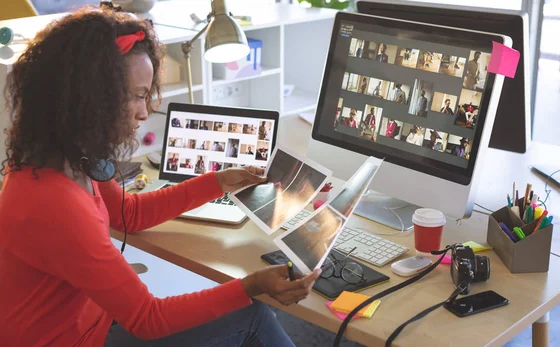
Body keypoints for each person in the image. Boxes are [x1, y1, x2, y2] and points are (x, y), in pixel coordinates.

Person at [0, 8, 321, 347]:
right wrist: (252, 284)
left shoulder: (62, 158)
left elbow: (130, 215)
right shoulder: (56, 204)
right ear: (91, 97)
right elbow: (148, 319)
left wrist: (218, 183)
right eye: (137, 96)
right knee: (252, 316)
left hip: (92, 323)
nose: (144, 111)